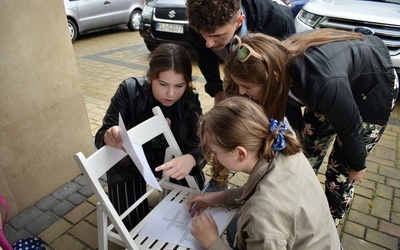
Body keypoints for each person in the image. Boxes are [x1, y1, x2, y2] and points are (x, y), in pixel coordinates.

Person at [223, 29, 399, 226]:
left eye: (247, 87)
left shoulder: (321, 85)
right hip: (332, 88)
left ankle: (327, 230)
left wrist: (358, 165)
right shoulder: (277, 64)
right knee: (307, 151)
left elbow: (351, 128)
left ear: (273, 77)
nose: (241, 92)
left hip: (370, 92)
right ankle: (296, 205)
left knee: (339, 173)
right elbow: (289, 115)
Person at [189, 96, 341, 249]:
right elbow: (262, 191)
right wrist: (221, 197)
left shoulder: (261, 216)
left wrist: (211, 242)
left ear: (240, 154)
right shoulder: (281, 147)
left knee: (234, 224)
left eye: (215, 152)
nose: (214, 157)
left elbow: (265, 205)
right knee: (235, 224)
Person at [186, 0, 296, 192]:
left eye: (216, 36)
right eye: (204, 36)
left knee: (269, 125)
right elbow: (204, 57)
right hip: (234, 67)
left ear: (239, 21)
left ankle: (267, 181)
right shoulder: (199, 23)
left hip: (269, 77)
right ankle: (218, 182)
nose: (209, 43)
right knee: (226, 122)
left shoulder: (278, 21)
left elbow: (285, 71)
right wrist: (218, 91)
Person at [94, 43, 205, 230]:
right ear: (151, 77)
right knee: (134, 226)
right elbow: (100, 135)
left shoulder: (189, 99)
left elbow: (202, 145)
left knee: (191, 214)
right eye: (163, 84)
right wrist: (108, 135)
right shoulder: (129, 91)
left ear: (187, 83)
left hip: (172, 163)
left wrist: (191, 159)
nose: (171, 93)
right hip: (132, 166)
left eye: (179, 85)